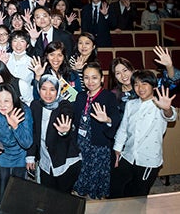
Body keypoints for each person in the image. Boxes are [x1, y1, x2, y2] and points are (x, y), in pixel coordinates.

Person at [111, 71, 177, 198]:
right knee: (116, 189)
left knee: (138, 196)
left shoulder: (160, 104)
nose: (140, 88)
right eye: (136, 84)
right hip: (128, 155)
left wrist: (167, 108)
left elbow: (171, 116)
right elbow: (123, 128)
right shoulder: (131, 104)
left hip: (147, 160)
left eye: (144, 84)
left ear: (153, 86)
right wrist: (117, 149)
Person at [70, 62, 121, 199]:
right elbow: (75, 119)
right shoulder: (81, 96)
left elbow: (116, 119)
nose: (90, 81)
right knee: (81, 173)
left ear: (102, 79)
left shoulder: (108, 96)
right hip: (81, 142)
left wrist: (107, 120)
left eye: (94, 78)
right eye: (86, 78)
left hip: (98, 145)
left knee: (95, 178)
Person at [26, 74, 81, 193]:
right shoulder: (35, 105)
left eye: (52, 89)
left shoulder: (64, 105)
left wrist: (65, 131)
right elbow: (33, 132)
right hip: (46, 161)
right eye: (44, 89)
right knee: (48, 197)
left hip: (65, 162)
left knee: (63, 199)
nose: (48, 94)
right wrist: (30, 155)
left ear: (58, 91)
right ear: (38, 89)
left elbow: (67, 115)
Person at [0, 83, 32, 201]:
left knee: (17, 192)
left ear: (14, 99)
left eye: (6, 101)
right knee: (2, 190)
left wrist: (15, 126)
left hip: (19, 156)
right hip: (2, 155)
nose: (2, 105)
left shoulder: (24, 111)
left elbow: (27, 143)